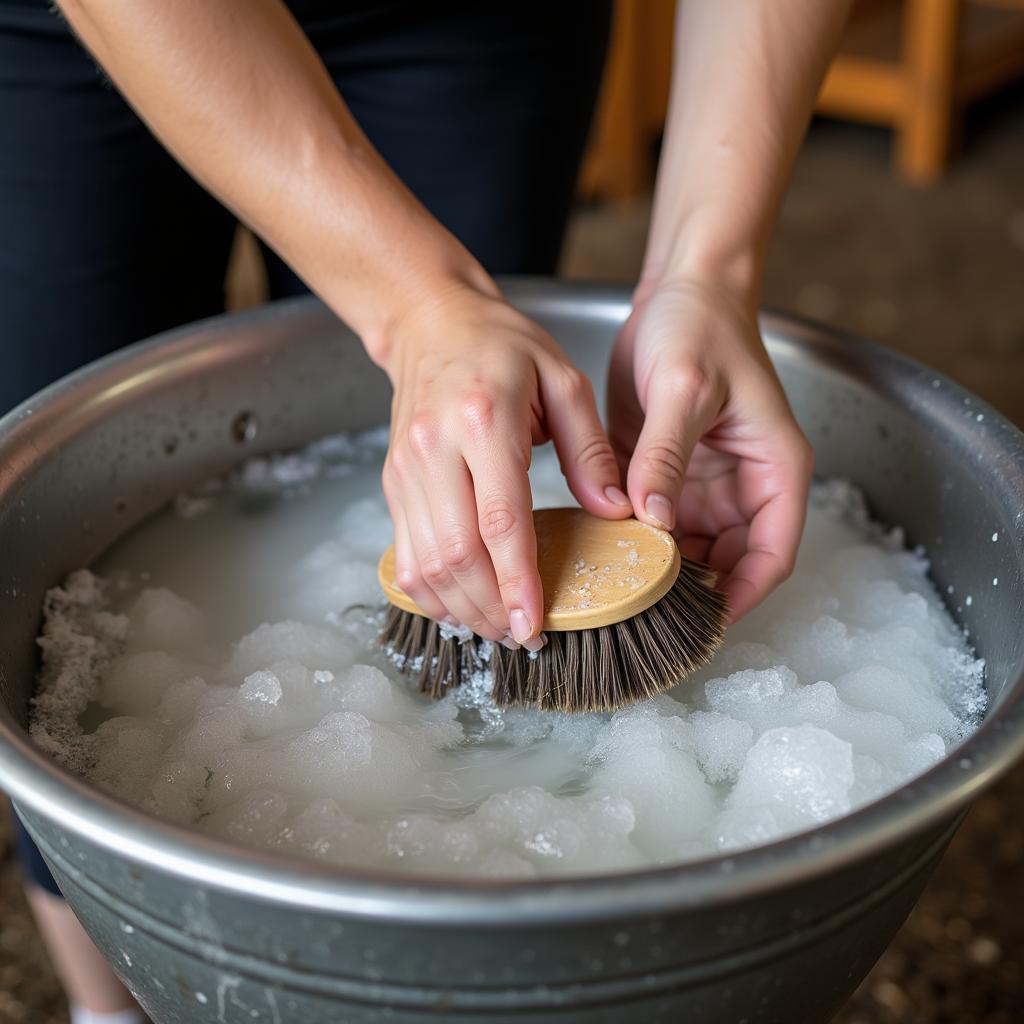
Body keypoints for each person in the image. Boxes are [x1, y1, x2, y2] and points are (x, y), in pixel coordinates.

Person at [1, 1, 849, 1020]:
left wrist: (705, 273)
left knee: (470, 418)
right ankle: (112, 1003)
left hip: (476, 24)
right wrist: (416, 305)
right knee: (53, 491)